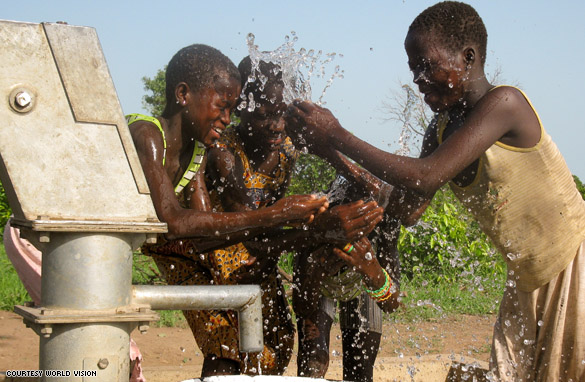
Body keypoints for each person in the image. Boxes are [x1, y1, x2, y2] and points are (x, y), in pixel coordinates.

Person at [285, 2, 585, 381]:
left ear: (469, 57)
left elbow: (425, 177)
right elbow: (409, 208)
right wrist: (333, 155)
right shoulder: (442, 128)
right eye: (413, 70)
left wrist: (339, 134)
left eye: (426, 66)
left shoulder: (505, 104)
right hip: (527, 280)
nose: (418, 80)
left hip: (572, 266)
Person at [128, 45, 381, 377]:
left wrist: (329, 153)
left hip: (219, 247)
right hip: (170, 247)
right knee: (227, 345)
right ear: (184, 94)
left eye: (283, 116)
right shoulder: (172, 141)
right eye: (224, 107)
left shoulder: (203, 148)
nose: (277, 126)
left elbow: (208, 230)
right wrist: (285, 216)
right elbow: (179, 224)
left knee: (277, 341)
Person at [293, 172, 402, 382]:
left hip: (365, 281)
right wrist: (318, 271)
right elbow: (301, 304)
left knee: (360, 367)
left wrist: (373, 273)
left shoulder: (386, 217)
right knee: (313, 360)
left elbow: (392, 304)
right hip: (319, 281)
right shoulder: (319, 214)